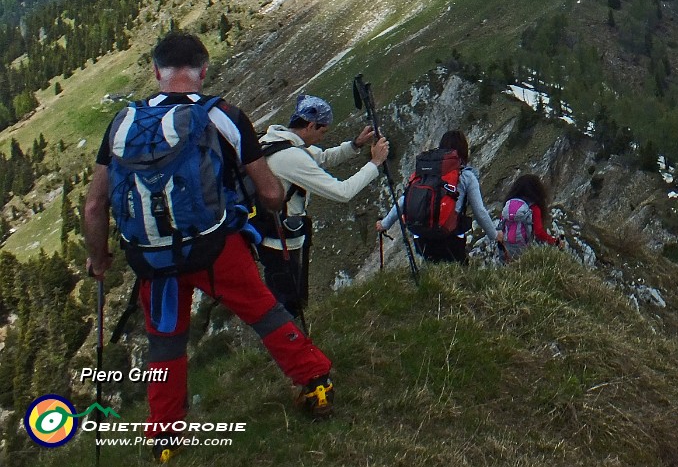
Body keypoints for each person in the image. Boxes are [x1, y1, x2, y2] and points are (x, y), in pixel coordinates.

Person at [83, 32, 336, 459]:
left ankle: (164, 437)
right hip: (215, 248)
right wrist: (265, 205)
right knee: (264, 312)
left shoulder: (123, 124)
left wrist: (98, 258)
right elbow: (271, 193)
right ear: (203, 71)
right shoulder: (223, 116)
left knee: (165, 342)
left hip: (153, 257)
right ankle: (315, 383)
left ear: (155, 71)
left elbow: (94, 205)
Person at [254, 93, 389, 320]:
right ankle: (287, 342)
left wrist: (355, 145)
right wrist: (375, 163)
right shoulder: (291, 157)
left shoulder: (275, 140)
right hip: (282, 242)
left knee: (284, 296)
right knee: (287, 304)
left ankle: (287, 339)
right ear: (310, 125)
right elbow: (343, 192)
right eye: (322, 131)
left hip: (271, 234)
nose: (321, 137)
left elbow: (322, 157)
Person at [376, 129, 502, 264]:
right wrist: (495, 235)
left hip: (422, 237)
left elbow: (403, 201)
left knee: (432, 274)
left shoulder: (425, 172)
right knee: (458, 277)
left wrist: (385, 224)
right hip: (450, 238)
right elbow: (479, 211)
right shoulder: (466, 175)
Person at [499, 173, 562, 258]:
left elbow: (501, 225)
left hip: (506, 247)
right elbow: (539, 232)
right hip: (522, 249)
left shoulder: (509, 204)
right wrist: (555, 242)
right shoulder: (534, 207)